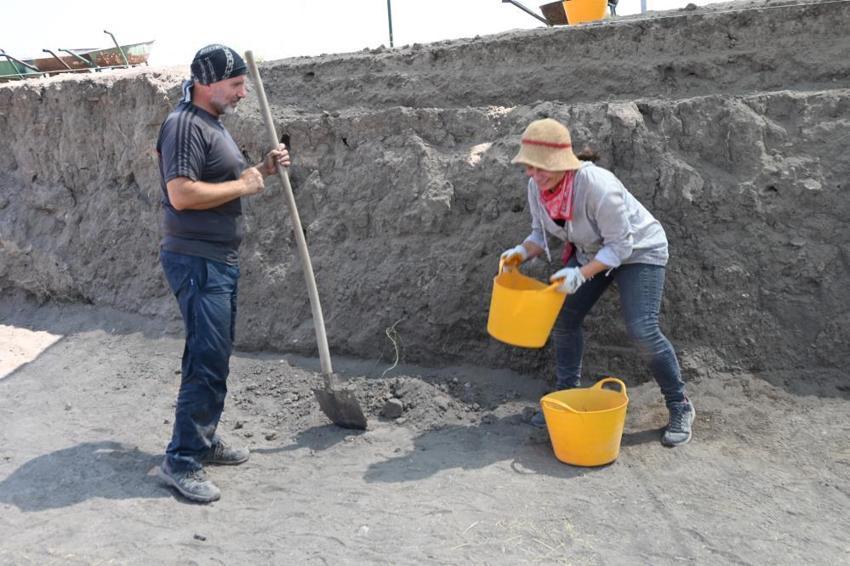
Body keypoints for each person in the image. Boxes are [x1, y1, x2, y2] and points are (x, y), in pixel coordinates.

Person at [501, 118, 695, 447]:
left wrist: (580, 273)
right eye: (529, 168)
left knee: (642, 329)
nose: (534, 176)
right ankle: (566, 398)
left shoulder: (597, 186)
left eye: (541, 168)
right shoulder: (537, 187)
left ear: (561, 163)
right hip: (595, 250)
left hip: (639, 251)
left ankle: (679, 404)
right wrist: (520, 253)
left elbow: (621, 246)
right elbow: (540, 234)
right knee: (564, 320)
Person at [155, 44, 290, 502]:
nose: (242, 93)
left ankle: (202, 439)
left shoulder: (210, 125)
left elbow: (219, 183)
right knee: (207, 359)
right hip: (197, 260)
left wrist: (262, 172)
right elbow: (182, 195)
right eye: (235, 84)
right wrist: (246, 185)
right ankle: (182, 461)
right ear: (207, 82)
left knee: (212, 355)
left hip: (216, 260)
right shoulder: (184, 126)